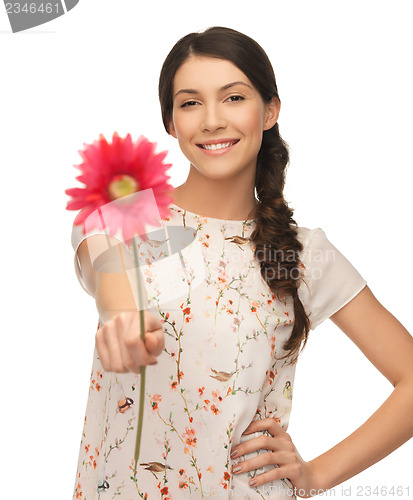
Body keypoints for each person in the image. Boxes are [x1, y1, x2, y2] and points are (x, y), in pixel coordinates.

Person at [70, 26, 413, 499]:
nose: (211, 120)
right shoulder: (131, 215)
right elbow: (100, 257)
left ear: (269, 111)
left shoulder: (301, 253)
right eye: (190, 103)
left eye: (233, 98)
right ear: (171, 122)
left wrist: (315, 475)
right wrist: (123, 314)